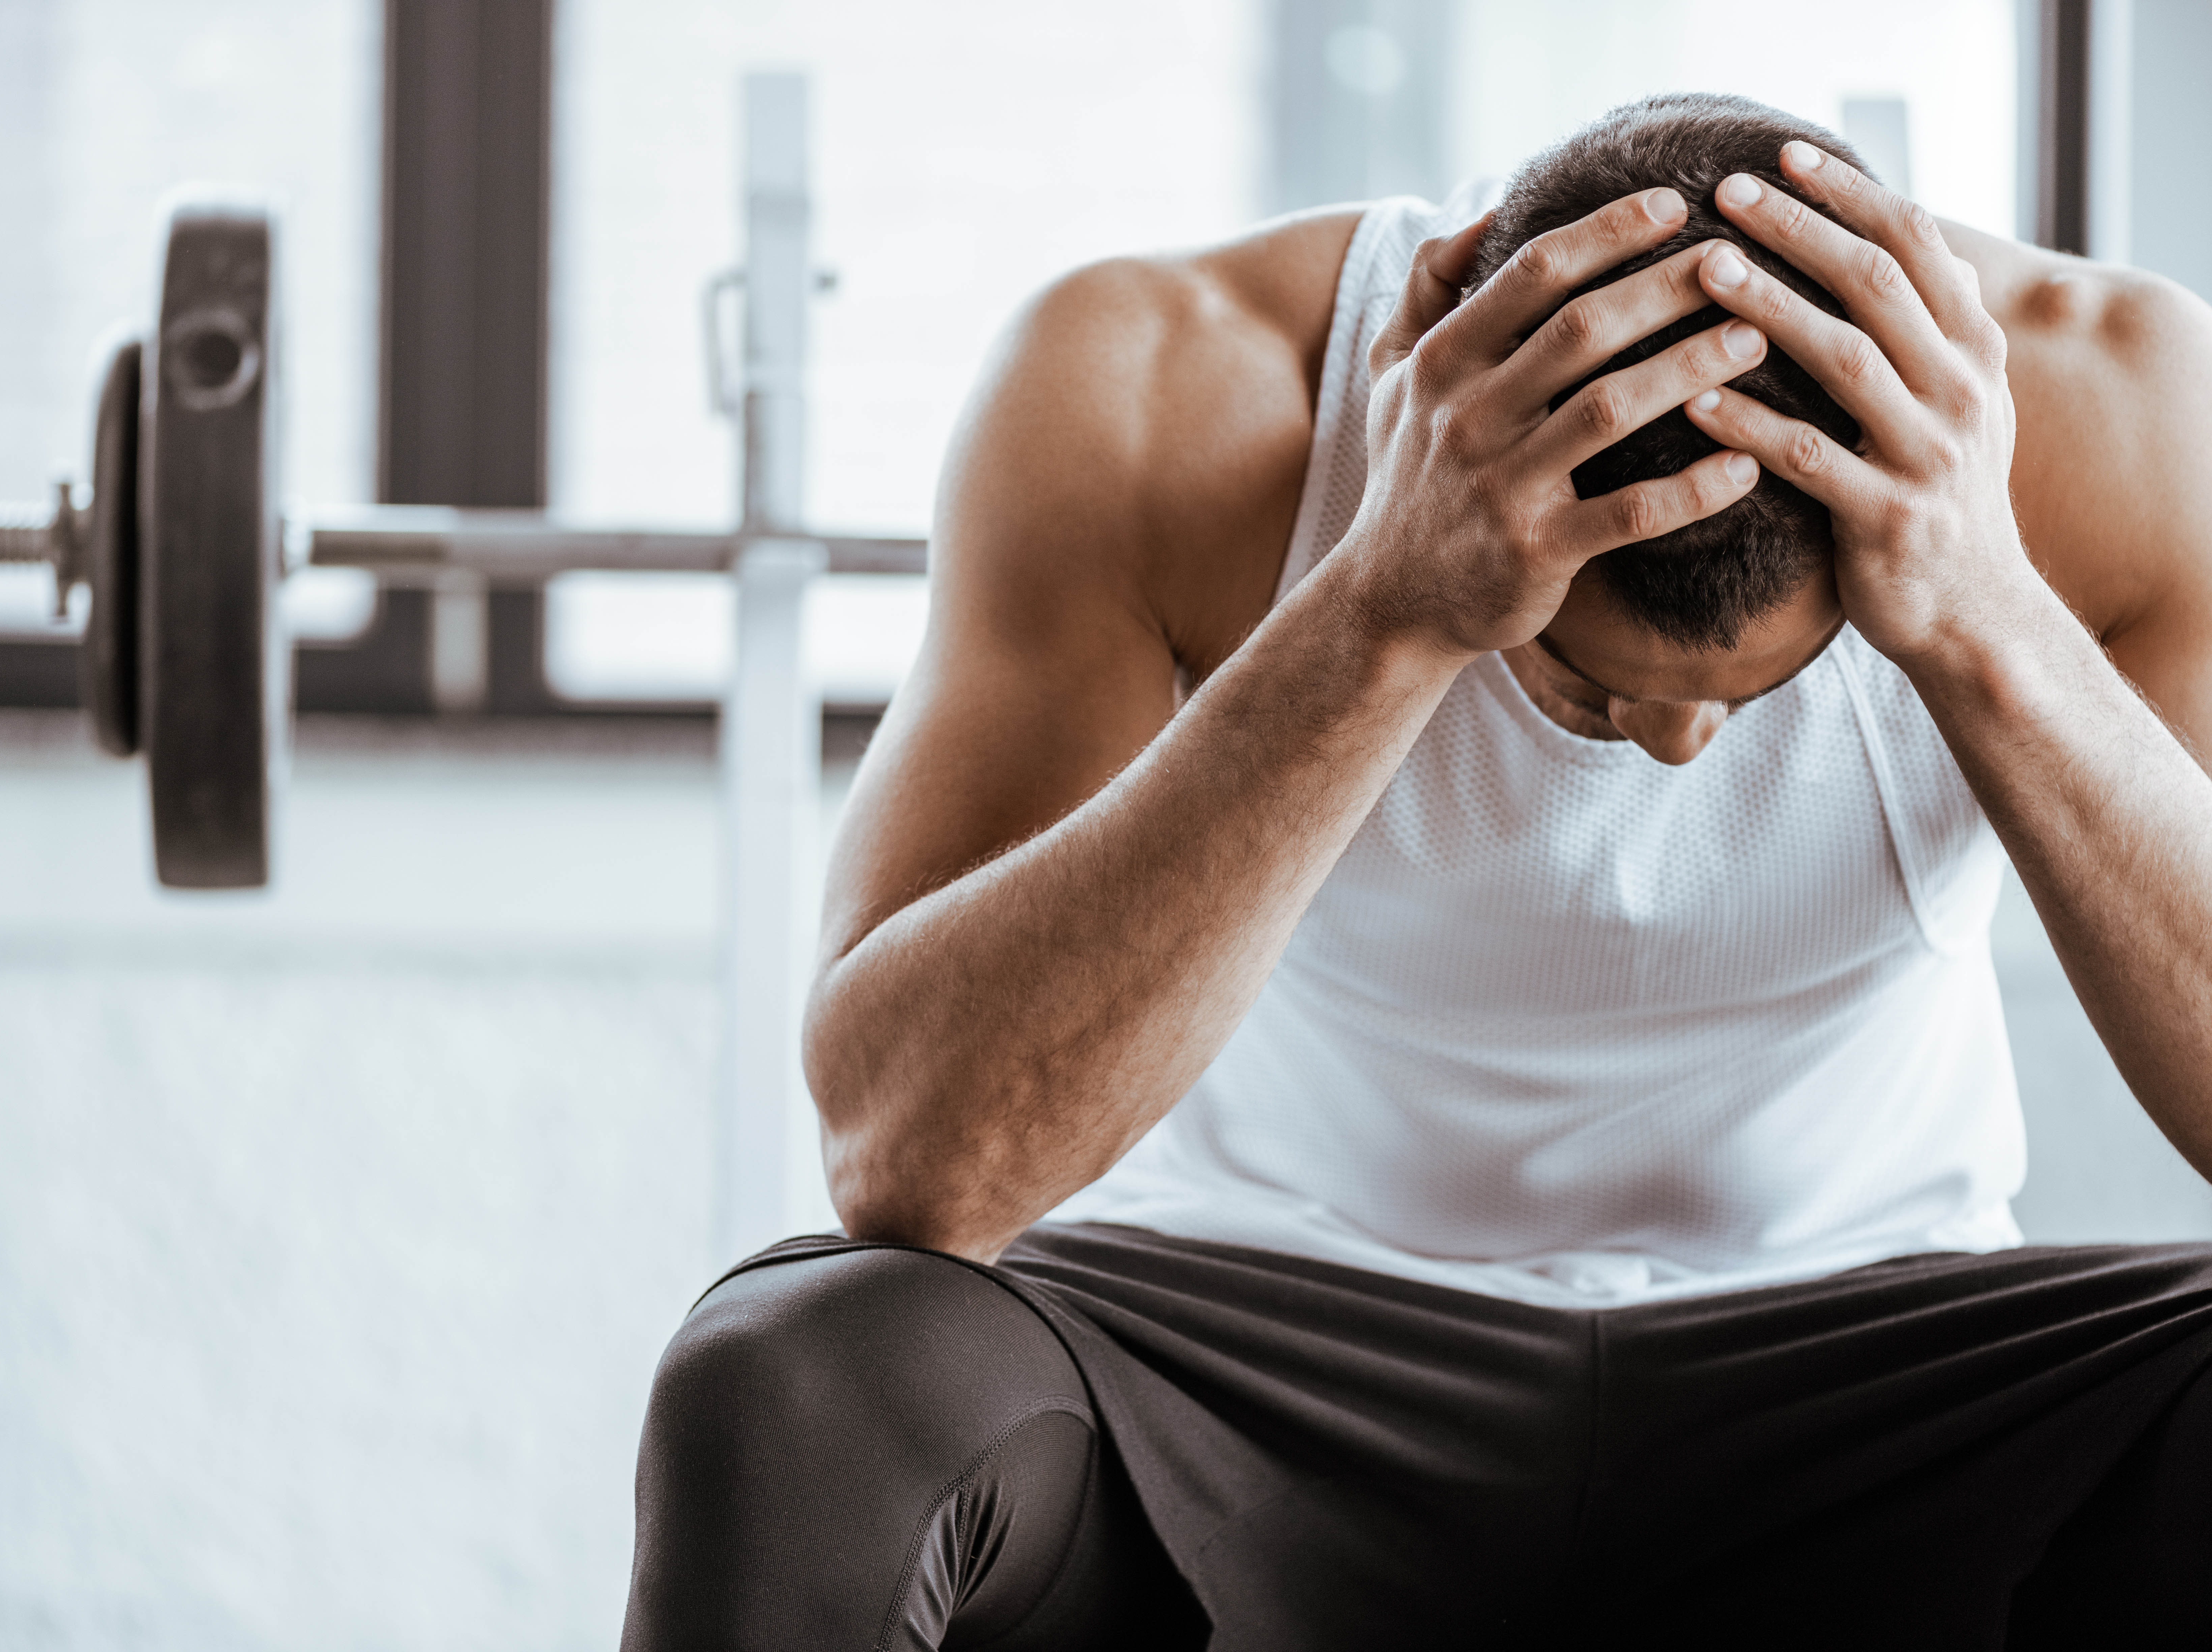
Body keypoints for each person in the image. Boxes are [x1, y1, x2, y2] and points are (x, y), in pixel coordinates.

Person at [621, 94, 2212, 1648]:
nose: (1668, 752)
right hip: (1250, 1371)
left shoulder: (2116, 411)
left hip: (1878, 1394)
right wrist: (1386, 603)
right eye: (1589, 684)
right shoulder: (1160, 387)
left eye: (1750, 696)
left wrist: (1986, 618)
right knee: (797, 1370)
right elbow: (915, 1159)